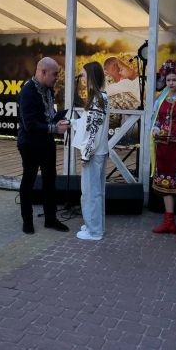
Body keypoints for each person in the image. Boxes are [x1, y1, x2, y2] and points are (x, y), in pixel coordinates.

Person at [17, 57, 71, 235]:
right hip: (30, 144)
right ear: (42, 72)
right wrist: (55, 128)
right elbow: (30, 125)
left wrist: (60, 119)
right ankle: (27, 221)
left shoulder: (48, 89)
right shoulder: (27, 92)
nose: (57, 77)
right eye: (55, 74)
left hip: (46, 142)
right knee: (29, 181)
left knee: (50, 182)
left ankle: (51, 219)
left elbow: (48, 115)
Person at [149, 60, 176, 235]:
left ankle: (171, 220)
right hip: (162, 146)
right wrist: (156, 129)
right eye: (168, 80)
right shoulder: (160, 100)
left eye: (174, 80)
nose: (171, 83)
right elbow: (155, 120)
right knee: (164, 184)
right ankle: (168, 221)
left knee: (174, 183)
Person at [71, 62, 110, 241]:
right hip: (98, 152)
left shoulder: (97, 99)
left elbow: (93, 130)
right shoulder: (101, 97)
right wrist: (72, 123)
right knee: (96, 191)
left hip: (93, 154)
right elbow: (89, 124)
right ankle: (95, 225)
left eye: (84, 75)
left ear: (92, 76)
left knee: (90, 192)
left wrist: (86, 154)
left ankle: (94, 231)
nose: (83, 79)